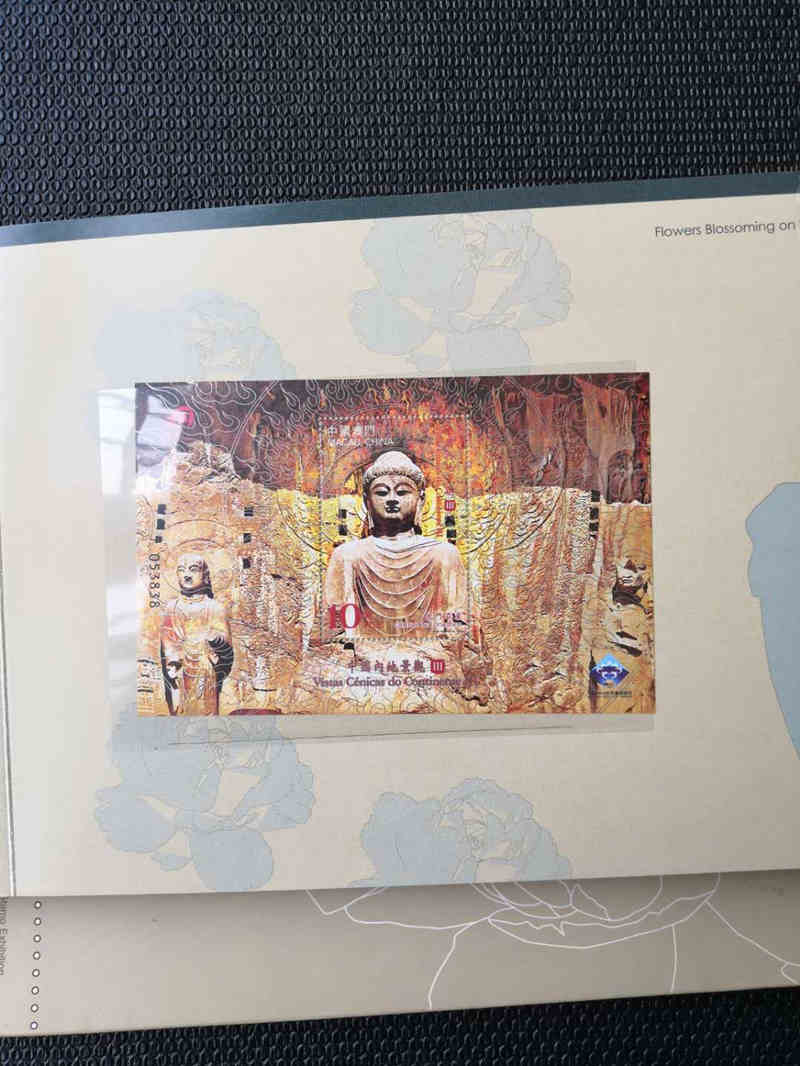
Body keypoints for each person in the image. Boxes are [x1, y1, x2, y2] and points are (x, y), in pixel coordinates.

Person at [323, 450, 467, 641]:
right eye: (382, 493)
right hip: (364, 653)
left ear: (420, 500)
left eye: (402, 492)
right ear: (367, 501)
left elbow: (456, 629)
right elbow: (334, 628)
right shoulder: (347, 555)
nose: (392, 499)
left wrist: (442, 645)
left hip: (429, 653)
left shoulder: (444, 554)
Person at [159, 553, 233, 715]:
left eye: (193, 570)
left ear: (204, 576)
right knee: (182, 713)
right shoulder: (172, 607)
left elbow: (226, 641)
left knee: (205, 711)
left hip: (206, 670)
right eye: (181, 570)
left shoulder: (214, 607)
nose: (187, 575)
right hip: (180, 670)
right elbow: (168, 639)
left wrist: (215, 638)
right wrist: (173, 661)